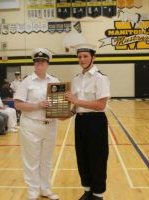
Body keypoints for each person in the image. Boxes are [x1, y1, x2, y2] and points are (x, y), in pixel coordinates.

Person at [65, 44, 110, 200]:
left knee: (97, 158)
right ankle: (87, 190)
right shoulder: (77, 79)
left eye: (85, 56)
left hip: (96, 122)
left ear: (93, 57)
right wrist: (68, 113)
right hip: (81, 121)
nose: (82, 59)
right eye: (79, 57)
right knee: (82, 157)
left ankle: (98, 194)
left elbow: (101, 105)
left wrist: (76, 100)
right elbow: (76, 104)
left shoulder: (100, 78)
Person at [14, 48, 60, 200]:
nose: (39, 64)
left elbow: (59, 105)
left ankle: (45, 189)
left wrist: (63, 108)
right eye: (37, 62)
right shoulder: (27, 81)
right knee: (32, 160)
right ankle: (33, 191)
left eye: (42, 62)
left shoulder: (55, 81)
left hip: (50, 125)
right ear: (34, 64)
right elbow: (18, 105)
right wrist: (38, 105)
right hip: (31, 125)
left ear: (48, 63)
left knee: (46, 160)